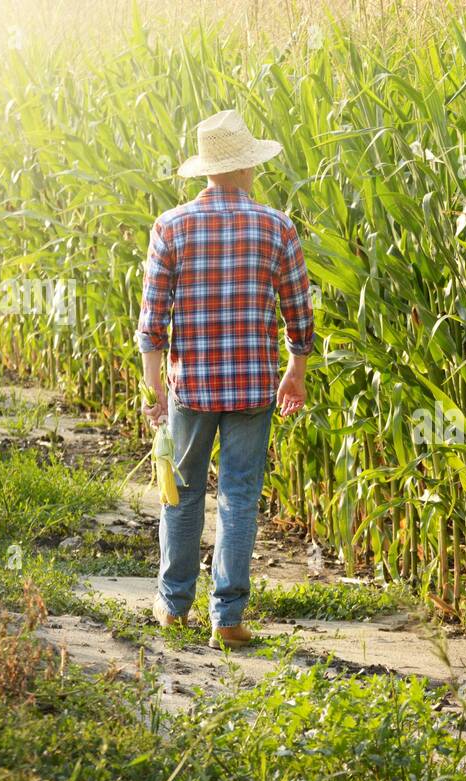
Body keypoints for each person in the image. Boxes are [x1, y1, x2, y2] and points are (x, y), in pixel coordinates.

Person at [135, 109, 313, 648]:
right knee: (239, 494)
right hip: (253, 387)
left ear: (207, 169)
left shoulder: (171, 226)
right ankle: (228, 620)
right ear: (246, 167)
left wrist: (155, 388)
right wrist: (295, 372)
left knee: (183, 494)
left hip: (191, 387)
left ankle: (174, 607)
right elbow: (298, 315)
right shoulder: (277, 226)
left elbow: (151, 322)